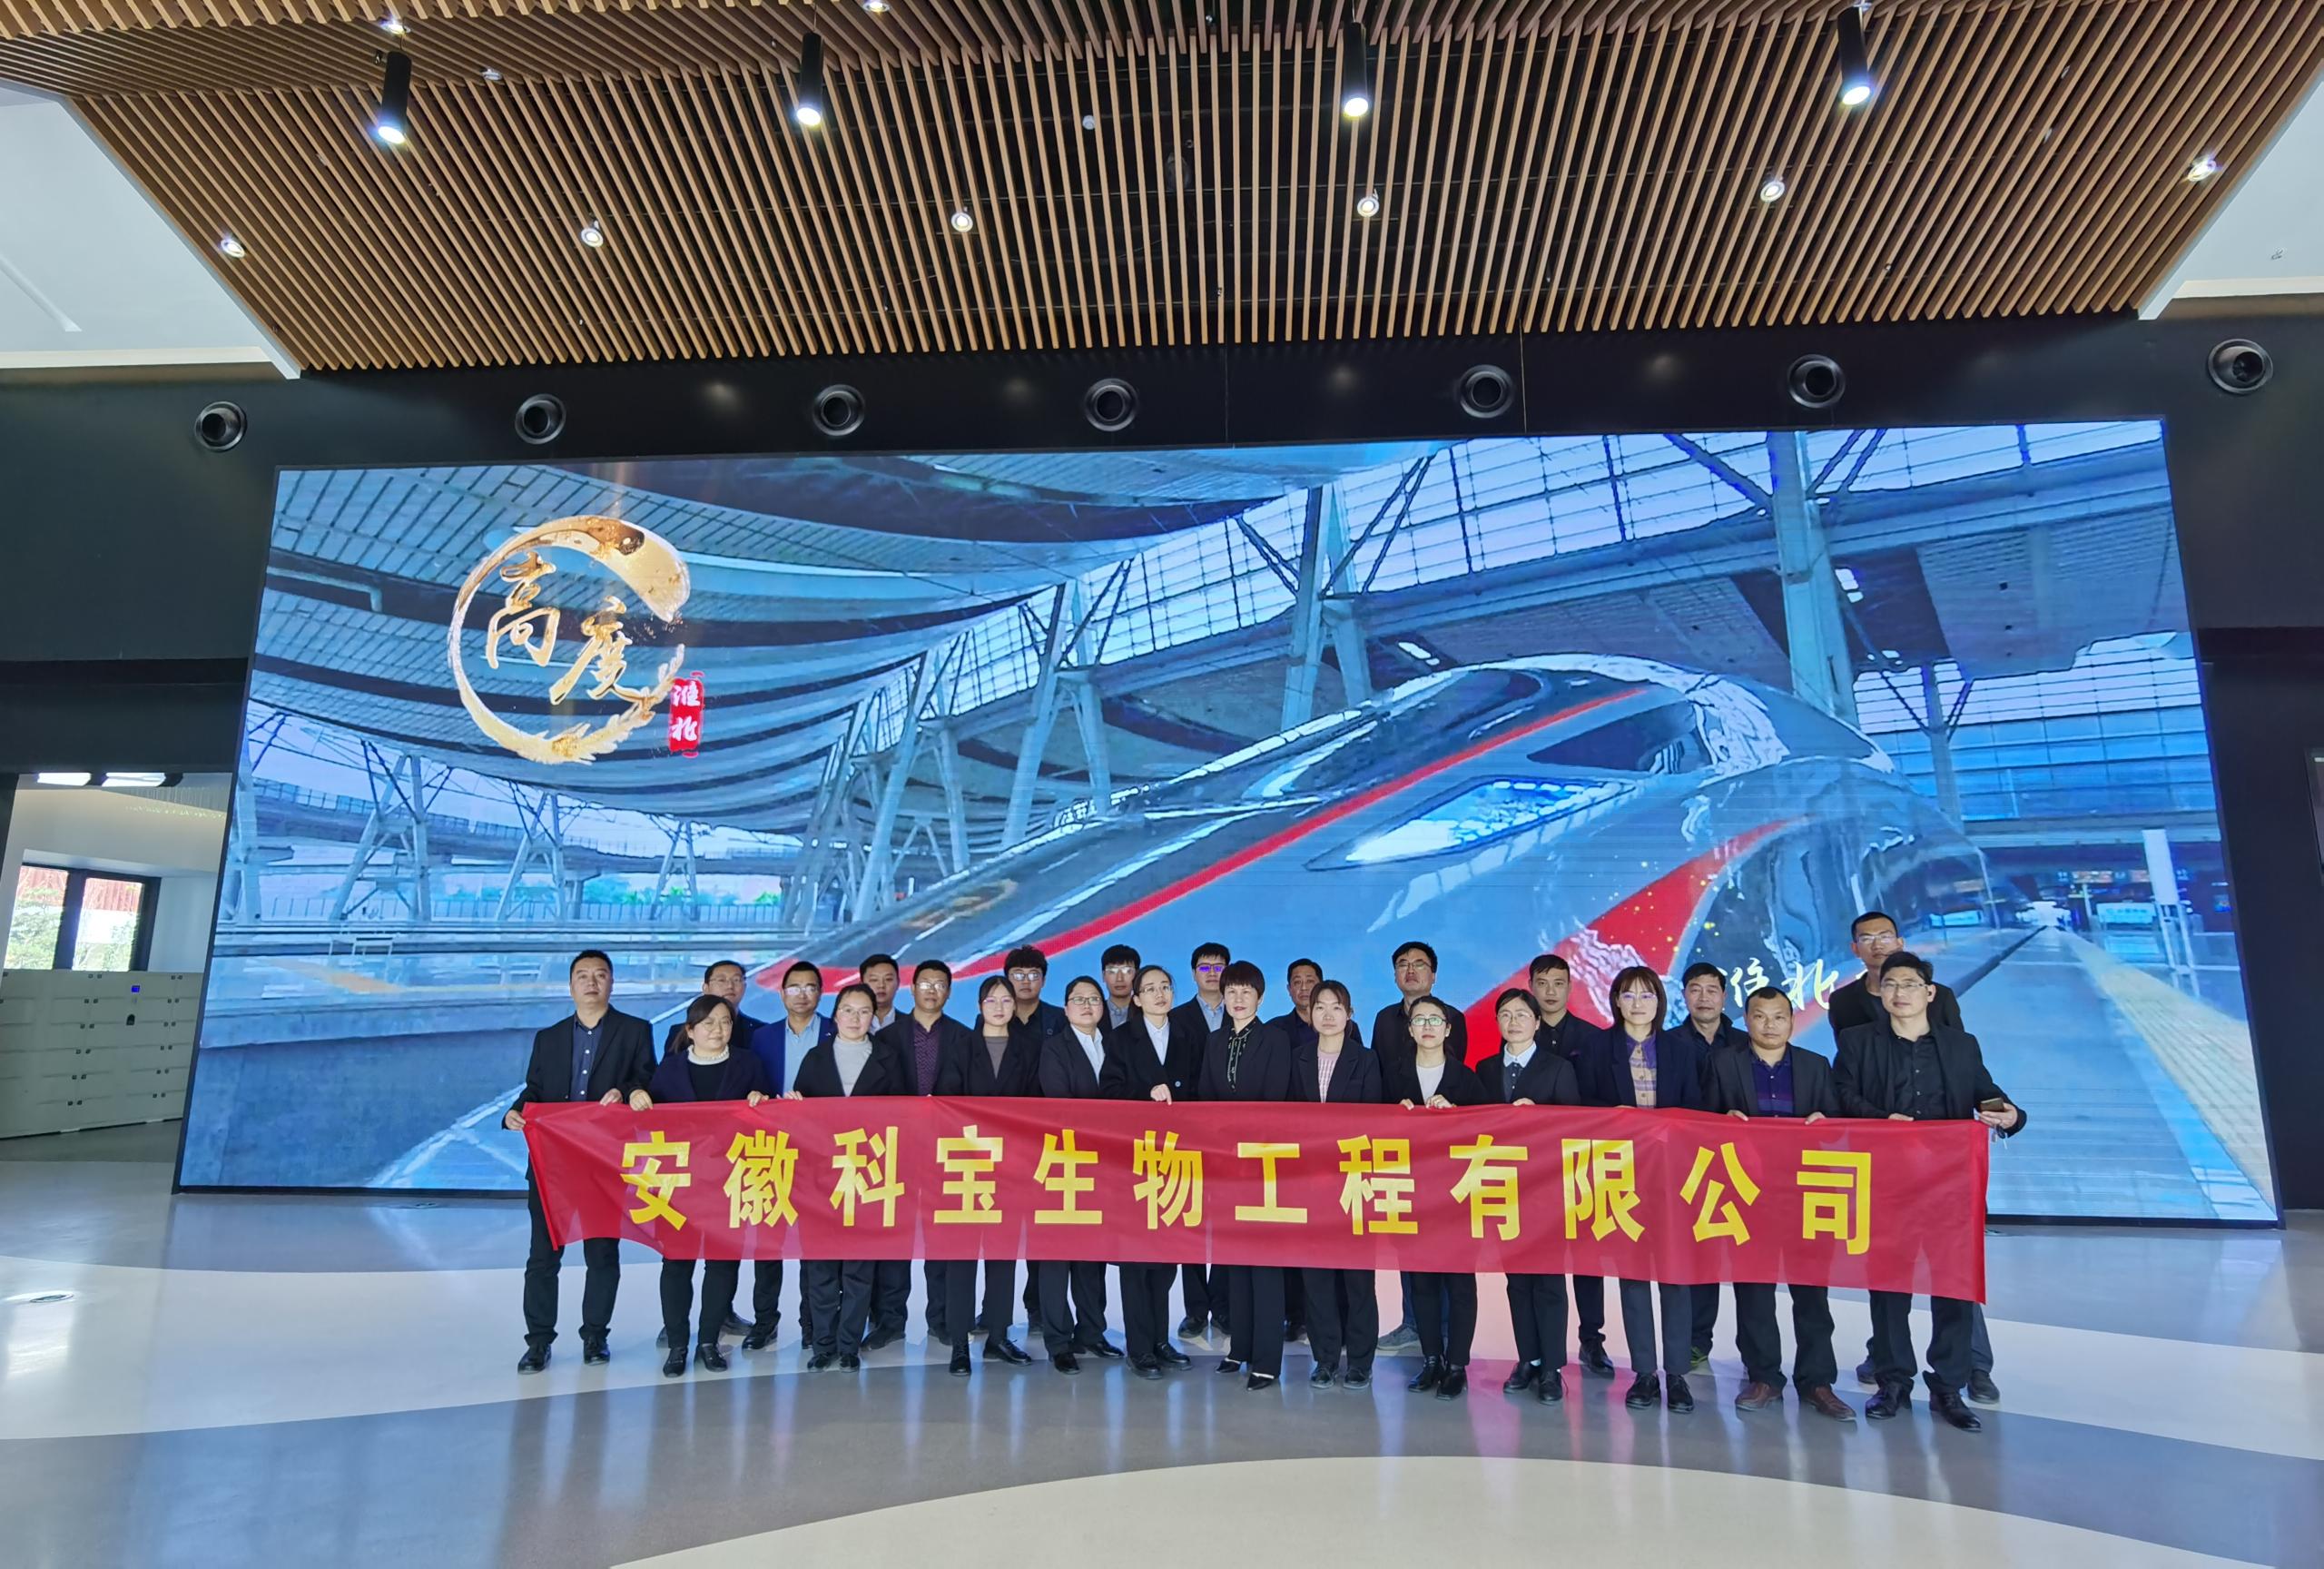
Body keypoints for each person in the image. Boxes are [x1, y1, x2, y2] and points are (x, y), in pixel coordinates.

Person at [1835, 951, 2024, 1433]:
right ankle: (1893, 1381)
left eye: (1910, 984)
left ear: (1930, 992)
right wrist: (1883, 1120)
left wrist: (2012, 1116)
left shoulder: (1961, 1045)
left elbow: (1987, 1092)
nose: (1899, 993)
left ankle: (1949, 1386)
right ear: (1880, 992)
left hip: (1949, 1186)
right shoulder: (1858, 1042)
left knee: (1952, 1288)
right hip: (1887, 1185)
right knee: (1889, 1287)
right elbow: (1842, 1097)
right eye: (1891, 984)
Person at [1703, 986, 1855, 1422]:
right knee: (1754, 1290)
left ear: (1791, 1020)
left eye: (1779, 1017)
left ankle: (1817, 1381)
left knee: (1812, 1293)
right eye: (1760, 1016)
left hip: (1806, 1192)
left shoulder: (1815, 1065)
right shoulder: (1724, 1063)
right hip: (1748, 1192)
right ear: (1746, 1019)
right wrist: (1721, 1121)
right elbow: (1701, 1121)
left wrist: (1825, 1123)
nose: (1770, 1025)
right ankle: (1763, 1376)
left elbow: (1837, 1127)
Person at [506, 950, 655, 1372]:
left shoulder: (635, 1031)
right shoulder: (549, 1038)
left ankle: (595, 1336)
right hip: (552, 1163)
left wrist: (629, 1091)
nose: (592, 982)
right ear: (570, 985)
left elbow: (648, 1078)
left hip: (604, 1161)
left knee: (602, 1253)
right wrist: (514, 1111)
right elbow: (535, 1089)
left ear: (612, 983)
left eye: (600, 975)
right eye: (583, 976)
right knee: (542, 1256)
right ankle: (538, 1342)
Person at [1577, 964, 1702, 1414]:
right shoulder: (1596, 1049)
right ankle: (1645, 1373)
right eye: (1628, 995)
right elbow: (1583, 1108)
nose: (1637, 1004)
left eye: (1647, 995)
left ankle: (1678, 1375)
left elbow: (1695, 1111)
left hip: (1671, 1175)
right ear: (1615, 1001)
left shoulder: (1681, 1050)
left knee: (1675, 1276)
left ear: (1659, 1002)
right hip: (1623, 1176)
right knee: (1633, 1277)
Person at [632, 995, 772, 1377]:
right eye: (708, 1023)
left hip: (729, 1181)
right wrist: (637, 1097)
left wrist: (761, 1100)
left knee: (722, 1264)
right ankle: (678, 1344)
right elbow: (649, 1124)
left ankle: (709, 1341)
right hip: (679, 1185)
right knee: (677, 1264)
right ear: (690, 1030)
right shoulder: (671, 1069)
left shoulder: (748, 1064)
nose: (717, 1029)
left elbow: (768, 1119)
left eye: (725, 1022)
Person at [787, 982, 907, 1372]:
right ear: (835, 1015)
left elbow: (904, 1118)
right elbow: (800, 1119)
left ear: (874, 1017)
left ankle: (849, 1344)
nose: (856, 1018)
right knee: (821, 1266)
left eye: (864, 1011)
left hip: (870, 1175)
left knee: (859, 1267)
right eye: (848, 1011)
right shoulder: (816, 1058)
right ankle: (823, 1344)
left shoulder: (889, 1059)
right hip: (820, 1177)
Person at [1193, 960, 1294, 1391]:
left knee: (1265, 1265)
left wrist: (1239, 1137)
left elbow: (1275, 1100)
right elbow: (1205, 1096)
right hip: (1226, 1167)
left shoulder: (1275, 1039)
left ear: (1260, 997)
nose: (1237, 999)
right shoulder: (1214, 1041)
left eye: (1246, 992)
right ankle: (1240, 1348)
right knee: (1233, 1262)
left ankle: (1267, 1360)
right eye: (1231, 991)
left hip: (1263, 1166)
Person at [1478, 987, 1581, 1404]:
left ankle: (1553, 1368)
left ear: (1537, 1022)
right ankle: (1528, 1359)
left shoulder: (1558, 1068)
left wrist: (1541, 1118)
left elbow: (1574, 1128)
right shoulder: (1485, 1069)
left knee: (1549, 1281)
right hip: (1504, 1189)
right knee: (1517, 1281)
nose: (1514, 1021)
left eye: (1522, 1014)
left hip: (1547, 1190)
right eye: (1506, 1015)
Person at [1382, 993, 1483, 1399]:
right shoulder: (1393, 1076)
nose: (1427, 1026)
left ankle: (1457, 1364)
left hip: (1458, 1195)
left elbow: (1489, 1134)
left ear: (1448, 1029)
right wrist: (1394, 1115)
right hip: (1412, 1193)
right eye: (1419, 1020)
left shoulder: (1467, 1079)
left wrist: (1457, 1114)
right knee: (1421, 1281)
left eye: (1435, 1020)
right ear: (1409, 1030)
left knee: (1460, 1283)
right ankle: (1430, 1360)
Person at [938, 975, 1040, 1376]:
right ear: (979, 1006)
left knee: (1003, 1256)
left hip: (1010, 1167)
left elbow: (1036, 1103)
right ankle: (959, 1344)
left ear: (1015, 1006)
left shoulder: (1027, 1049)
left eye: (1006, 1001)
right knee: (962, 1258)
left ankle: (998, 1335)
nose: (1000, 1007)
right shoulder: (961, 1046)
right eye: (992, 1000)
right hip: (967, 1165)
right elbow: (946, 1100)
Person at [1099, 963, 1194, 1380]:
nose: (1159, 994)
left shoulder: (1190, 1036)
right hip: (1134, 1163)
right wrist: (1146, 1093)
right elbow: (1109, 1093)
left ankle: (1160, 1339)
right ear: (1136, 999)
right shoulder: (1119, 1040)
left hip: (1176, 1160)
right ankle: (1139, 1348)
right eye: (1150, 989)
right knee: (1137, 1261)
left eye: (1165, 987)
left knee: (1167, 1260)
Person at [873, 958, 974, 1347]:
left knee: (941, 1237)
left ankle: (942, 1318)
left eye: (940, 984)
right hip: (898, 1150)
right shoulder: (887, 1038)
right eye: (925, 984)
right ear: (912, 989)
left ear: (949, 992)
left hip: (946, 1152)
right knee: (895, 1238)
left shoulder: (964, 1037)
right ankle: (890, 1320)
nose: (932, 991)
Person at [1373, 940, 1467, 1350]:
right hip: (1400, 1150)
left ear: (1434, 974)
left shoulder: (1454, 1017)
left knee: (1445, 1241)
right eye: (1403, 964)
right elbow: (1380, 1078)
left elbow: (1455, 1077)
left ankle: (1444, 1328)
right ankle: (1413, 1322)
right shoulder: (1383, 1019)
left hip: (1444, 1155)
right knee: (1406, 1238)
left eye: (1420, 964)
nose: (1411, 971)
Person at [1289, 979, 1383, 1388]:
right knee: (1317, 1277)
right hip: (1310, 1183)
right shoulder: (1296, 1058)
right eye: (1320, 1007)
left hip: (1354, 1181)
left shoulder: (1366, 1060)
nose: (1328, 1015)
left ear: (1350, 1014)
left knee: (1358, 1278)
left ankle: (1360, 1360)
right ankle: (1325, 1358)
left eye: (1336, 1007)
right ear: (1310, 1014)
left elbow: (1373, 1120)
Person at [739, 960, 832, 1351]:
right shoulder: (762, 1038)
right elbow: (751, 1086)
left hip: (821, 1150)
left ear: (820, 993)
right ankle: (765, 1321)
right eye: (794, 987)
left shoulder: (835, 1031)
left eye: (810, 987)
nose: (802, 994)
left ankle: (813, 1323)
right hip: (771, 1149)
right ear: (781, 994)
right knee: (768, 1241)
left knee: (816, 1243)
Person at [1529, 952, 1614, 1378]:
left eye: (1558, 983)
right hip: (1532, 1167)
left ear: (1569, 987)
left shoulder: (1592, 1038)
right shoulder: (1519, 1030)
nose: (1550, 991)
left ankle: (1591, 1338)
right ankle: (1542, 1346)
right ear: (1531, 987)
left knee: (1587, 1256)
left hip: (1581, 1161)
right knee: (1540, 1258)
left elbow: (1601, 1098)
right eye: (1542, 983)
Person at [1034, 976, 1126, 1372]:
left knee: (1093, 1255)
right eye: (1078, 999)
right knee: (1058, 1256)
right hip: (1065, 1163)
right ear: (1066, 1007)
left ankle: (1092, 1330)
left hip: (1105, 1166)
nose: (1087, 1006)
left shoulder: (1116, 1045)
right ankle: (1058, 1341)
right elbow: (1061, 1104)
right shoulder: (1054, 1048)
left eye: (1093, 999)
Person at [1676, 960, 1749, 1368]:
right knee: (1698, 1252)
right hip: (1687, 1164)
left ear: (1724, 996)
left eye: (1711, 990)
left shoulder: (1744, 1042)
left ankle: (1754, 1351)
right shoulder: (1668, 1043)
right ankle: (1695, 1339)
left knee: (1747, 1259)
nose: (1703, 997)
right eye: (1695, 989)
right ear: (1684, 995)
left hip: (1740, 1165)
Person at [1170, 940, 1233, 1337]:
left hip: (1229, 1139)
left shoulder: (1242, 1014)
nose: (1212, 973)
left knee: (1226, 1220)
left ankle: (1223, 1306)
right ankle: (1195, 1309)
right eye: (1205, 967)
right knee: (1188, 1219)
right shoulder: (1175, 1019)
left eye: (1219, 967)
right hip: (1187, 1136)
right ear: (1193, 973)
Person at [1824, 911, 1964, 1035]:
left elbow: (1958, 1048)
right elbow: (1846, 1052)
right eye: (1867, 939)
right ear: (1855, 949)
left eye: (1885, 937)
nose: (1877, 946)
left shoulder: (1940, 995)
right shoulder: (1842, 1001)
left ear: (1900, 943)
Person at [663, 960, 768, 1058]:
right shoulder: (681, 1032)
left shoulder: (762, 1031)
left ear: (745, 987)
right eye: (721, 980)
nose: (730, 986)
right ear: (706, 988)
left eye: (736, 980)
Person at [1266, 957, 1326, 1051]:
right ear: (1289, 989)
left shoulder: (1343, 1026)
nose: (1304, 988)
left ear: (1321, 987)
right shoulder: (1272, 1029)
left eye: (1310, 981)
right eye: (1297, 982)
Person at [1099, 943, 1142, 1029]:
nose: (1119, 978)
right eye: (1112, 971)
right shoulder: (1094, 1012)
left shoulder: (1148, 1013)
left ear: (1137, 975)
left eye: (1127, 971)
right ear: (1104, 976)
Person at [860, 952, 903, 1035]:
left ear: (898, 983)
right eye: (874, 980)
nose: (881, 985)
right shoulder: (848, 1025)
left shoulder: (913, 1026)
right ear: (862, 985)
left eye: (888, 979)